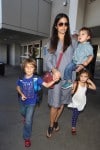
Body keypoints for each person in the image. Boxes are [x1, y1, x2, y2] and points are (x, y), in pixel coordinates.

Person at [45, 13, 76, 138]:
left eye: (66, 24)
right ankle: (51, 125)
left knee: (62, 103)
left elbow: (75, 62)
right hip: (56, 79)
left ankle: (56, 121)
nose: (64, 26)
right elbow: (47, 60)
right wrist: (53, 70)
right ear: (56, 26)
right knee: (55, 104)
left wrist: (74, 81)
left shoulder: (73, 42)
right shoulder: (51, 42)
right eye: (61, 24)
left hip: (68, 79)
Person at [16, 58, 59, 147]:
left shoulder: (37, 79)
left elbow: (46, 85)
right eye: (27, 67)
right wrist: (21, 94)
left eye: (31, 67)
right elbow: (18, 87)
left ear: (34, 69)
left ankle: (26, 138)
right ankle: (25, 116)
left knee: (28, 121)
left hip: (32, 102)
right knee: (23, 112)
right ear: (24, 68)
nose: (29, 69)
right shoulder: (21, 77)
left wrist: (54, 81)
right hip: (22, 101)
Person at [67, 69, 96, 135]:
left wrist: (90, 81)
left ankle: (75, 119)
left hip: (82, 101)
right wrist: (71, 89)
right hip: (75, 102)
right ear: (79, 76)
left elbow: (94, 88)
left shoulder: (86, 84)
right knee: (75, 115)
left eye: (85, 76)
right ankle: (73, 127)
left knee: (78, 112)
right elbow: (72, 92)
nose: (83, 78)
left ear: (88, 77)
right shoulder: (76, 83)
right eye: (81, 76)